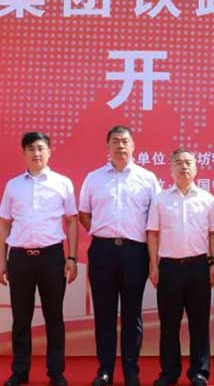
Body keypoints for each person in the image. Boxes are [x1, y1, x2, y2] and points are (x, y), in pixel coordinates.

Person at [79, 125, 161, 386]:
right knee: (103, 313)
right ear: (108, 146)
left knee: (131, 313)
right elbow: (84, 214)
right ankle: (104, 370)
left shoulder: (147, 178)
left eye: (125, 141)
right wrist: (103, 231)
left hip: (135, 252)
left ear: (133, 146)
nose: (121, 146)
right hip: (102, 251)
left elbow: (155, 219)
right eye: (115, 141)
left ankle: (131, 371)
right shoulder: (94, 178)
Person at [0, 132, 78, 386]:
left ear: (49, 152)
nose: (36, 153)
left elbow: (72, 222)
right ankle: (20, 371)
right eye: (31, 149)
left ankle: (56, 373)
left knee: (54, 316)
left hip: (52, 257)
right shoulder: (13, 186)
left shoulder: (62, 183)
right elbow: (4, 224)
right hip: (20, 257)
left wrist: (72, 257)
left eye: (41, 148)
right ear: (23, 153)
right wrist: (2, 261)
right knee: (21, 318)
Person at [146, 149, 214, 386]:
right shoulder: (160, 199)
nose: (184, 166)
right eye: (178, 162)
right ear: (170, 169)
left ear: (196, 168)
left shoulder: (207, 199)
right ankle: (169, 373)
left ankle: (199, 372)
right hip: (169, 267)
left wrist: (213, 262)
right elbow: (152, 233)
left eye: (188, 162)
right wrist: (154, 264)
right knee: (169, 324)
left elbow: (213, 233)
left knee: (199, 323)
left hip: (198, 266)